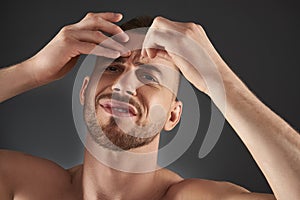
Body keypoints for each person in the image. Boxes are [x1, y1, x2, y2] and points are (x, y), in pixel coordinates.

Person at [0, 12, 299, 200]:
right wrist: (32, 70)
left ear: (173, 114)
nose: (124, 85)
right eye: (114, 69)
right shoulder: (26, 186)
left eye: (149, 76)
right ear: (84, 91)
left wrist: (219, 81)